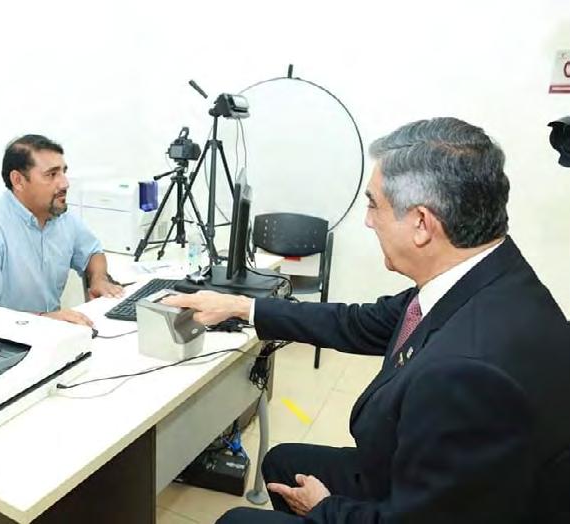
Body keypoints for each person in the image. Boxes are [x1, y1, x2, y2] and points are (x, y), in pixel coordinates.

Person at [164, 118, 570, 523]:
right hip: (445, 477)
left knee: (235, 521)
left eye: (374, 204)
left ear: (422, 223)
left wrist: (326, 508)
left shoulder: (465, 373)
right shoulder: (485, 275)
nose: (368, 220)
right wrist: (241, 307)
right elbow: (359, 323)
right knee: (283, 463)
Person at [0, 134, 122, 327]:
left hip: (44, 333)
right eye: (51, 174)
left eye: (63, 172)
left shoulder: (61, 217)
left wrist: (99, 279)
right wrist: (42, 319)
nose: (65, 183)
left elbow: (92, 252)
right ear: (18, 180)